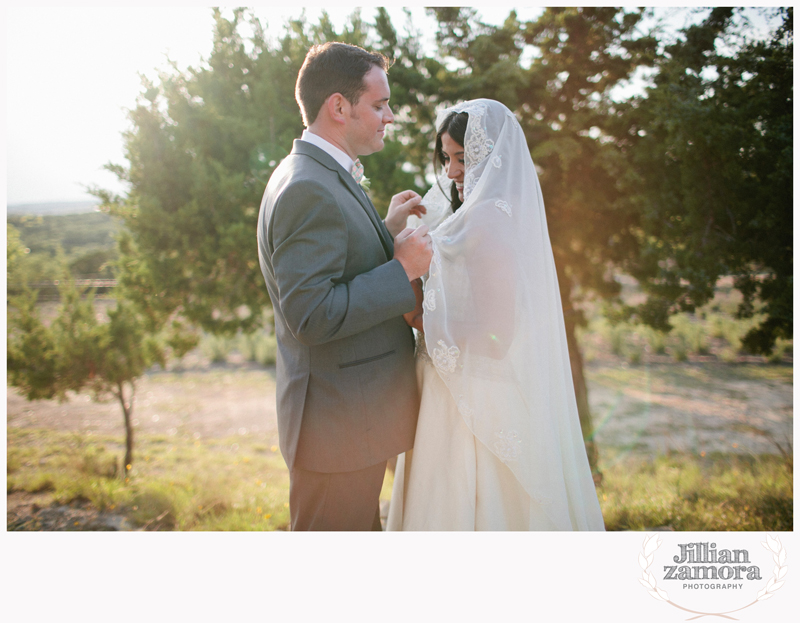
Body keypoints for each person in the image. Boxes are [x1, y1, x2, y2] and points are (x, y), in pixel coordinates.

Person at [386, 99, 606, 530]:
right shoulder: (474, 214)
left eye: (462, 159)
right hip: (450, 385)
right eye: (447, 159)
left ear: (491, 156)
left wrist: (417, 311)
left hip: (468, 397)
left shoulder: (488, 220)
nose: (451, 172)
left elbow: (497, 332)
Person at [256, 42, 432, 531]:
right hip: (336, 431)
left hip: (345, 424)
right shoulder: (308, 186)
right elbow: (312, 315)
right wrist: (401, 269)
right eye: (379, 105)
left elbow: (333, 258)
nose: (390, 116)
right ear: (339, 106)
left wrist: (383, 229)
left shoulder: (316, 173)